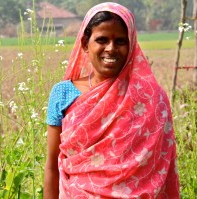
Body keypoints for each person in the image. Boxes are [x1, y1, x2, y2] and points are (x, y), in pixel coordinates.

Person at [44, 2, 179, 198]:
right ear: (85, 44)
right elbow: (52, 167)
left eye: (121, 41)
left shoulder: (151, 98)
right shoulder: (63, 93)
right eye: (102, 40)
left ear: (131, 45)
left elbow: (162, 168)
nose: (111, 48)